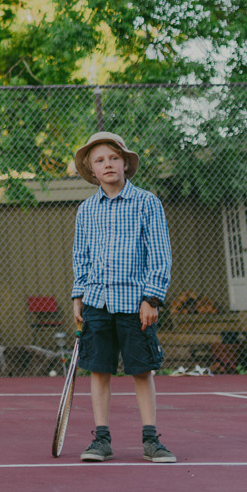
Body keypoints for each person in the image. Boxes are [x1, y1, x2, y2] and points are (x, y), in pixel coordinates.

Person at [69, 131, 176, 463]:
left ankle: (151, 439)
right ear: (92, 170)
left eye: (114, 158)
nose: (108, 164)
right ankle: (101, 440)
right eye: (99, 160)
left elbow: (159, 254)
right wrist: (78, 296)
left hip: (135, 304)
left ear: (125, 164)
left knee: (141, 371)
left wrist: (152, 298)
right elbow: (81, 257)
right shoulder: (86, 210)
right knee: (99, 371)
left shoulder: (146, 203)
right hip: (97, 302)